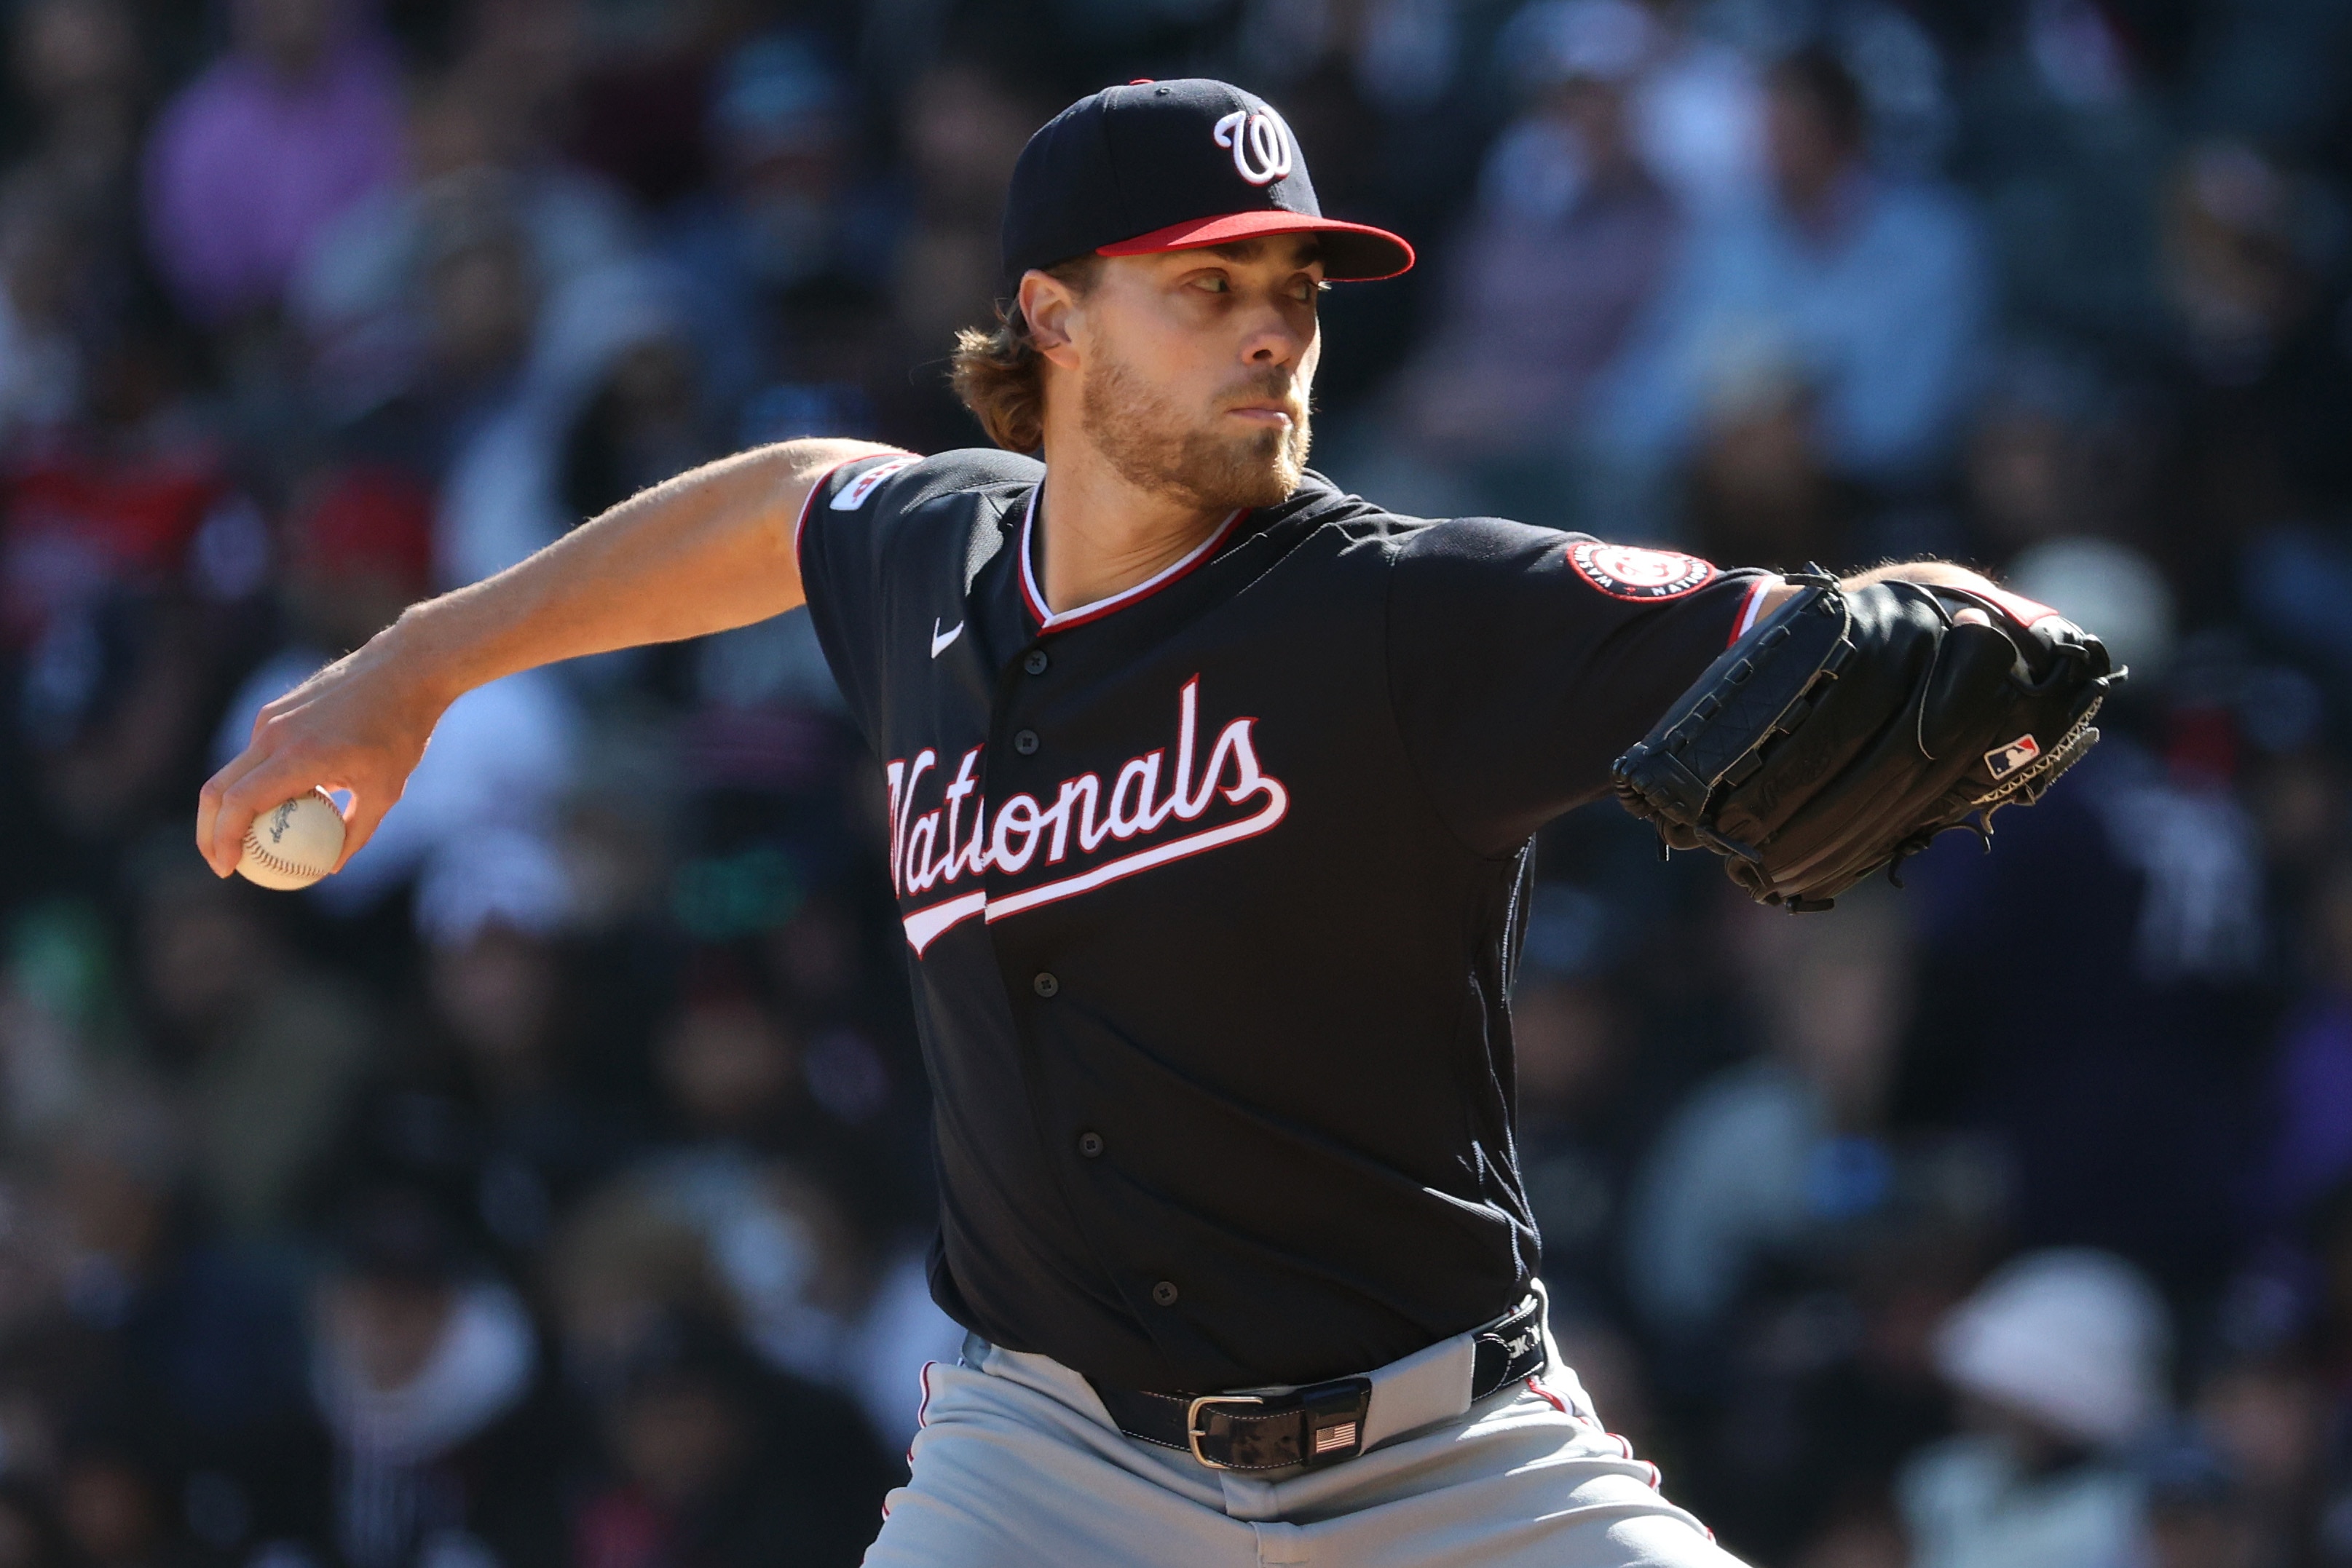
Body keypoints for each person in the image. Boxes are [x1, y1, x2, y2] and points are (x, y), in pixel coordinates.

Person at [198, 79, 2056, 1568]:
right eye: (1208, 286)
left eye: (1295, 292)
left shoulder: (1411, 610)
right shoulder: (937, 562)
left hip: (1445, 1464)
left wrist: (1974, 626)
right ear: (1053, 318)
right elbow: (786, 501)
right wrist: (420, 665)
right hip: (1048, 1467)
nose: (1273, 336)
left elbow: (1849, 631)